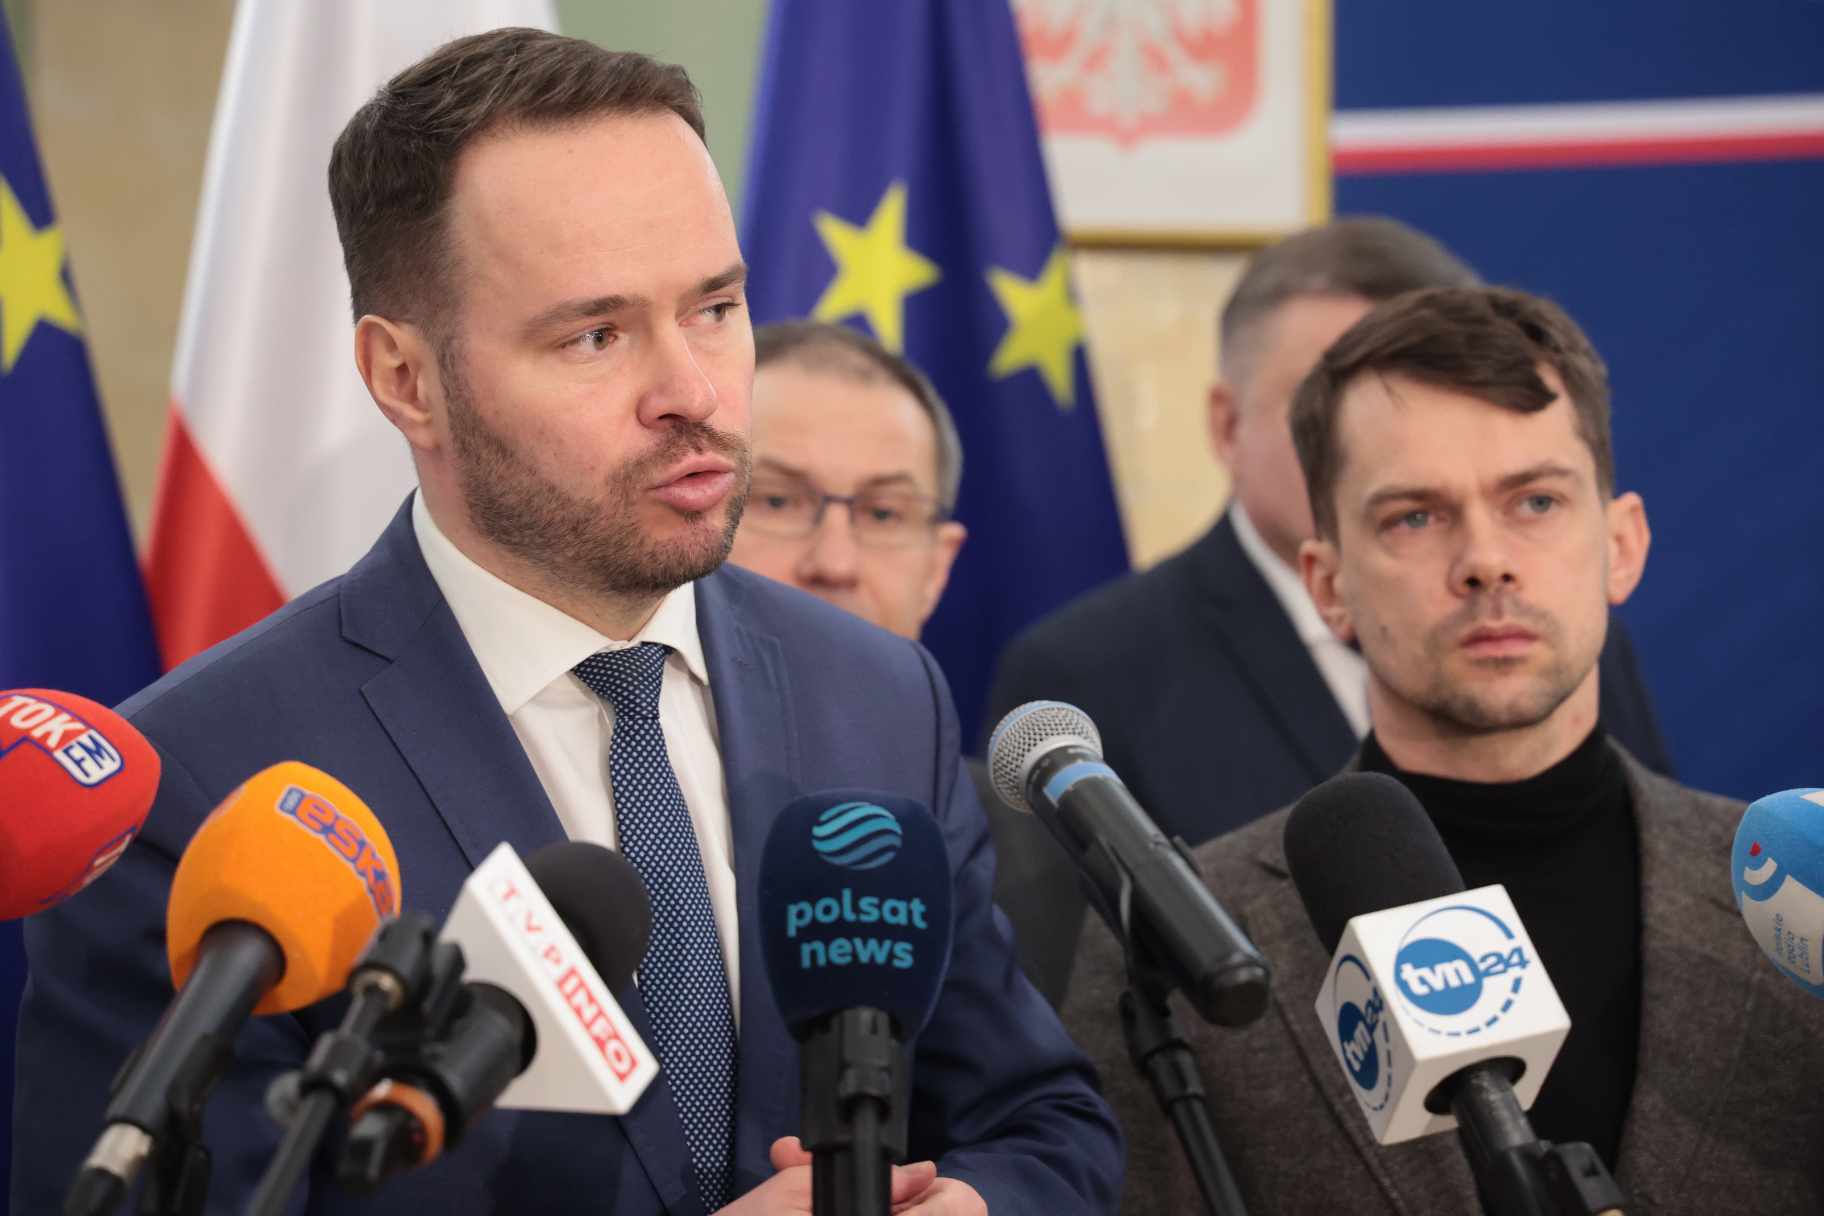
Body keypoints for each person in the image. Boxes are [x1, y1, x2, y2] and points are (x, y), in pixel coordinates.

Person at [13, 31, 1121, 1216]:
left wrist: (974, 1206)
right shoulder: (201, 788)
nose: (692, 390)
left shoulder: (879, 696)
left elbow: (1041, 1125)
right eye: (596, 334)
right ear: (405, 379)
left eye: (717, 306)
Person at [1062, 285, 1824, 1212]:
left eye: (1535, 500)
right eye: (1414, 517)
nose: (1485, 560)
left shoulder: (1795, 900)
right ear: (1328, 585)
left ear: (1622, 545)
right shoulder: (1178, 946)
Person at [983, 218, 1673, 848]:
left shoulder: (1552, 632)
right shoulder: (1087, 671)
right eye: (1331, 397)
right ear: (1227, 424)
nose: (1384, 436)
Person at [726, 320, 1087, 1007]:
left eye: (884, 514)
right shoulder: (639, 800)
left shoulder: (1040, 857)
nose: (835, 563)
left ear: (938, 568)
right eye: (776, 500)